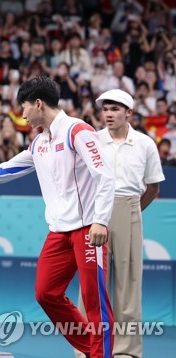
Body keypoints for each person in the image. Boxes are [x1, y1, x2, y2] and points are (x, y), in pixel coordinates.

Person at [0, 76, 116, 358]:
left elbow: (105, 176)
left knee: (95, 302)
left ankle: (100, 354)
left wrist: (101, 220)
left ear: (39, 104)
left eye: (24, 108)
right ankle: (93, 350)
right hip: (58, 232)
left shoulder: (78, 131)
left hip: (88, 230)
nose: (22, 115)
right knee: (46, 294)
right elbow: (2, 172)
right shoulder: (39, 143)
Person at [75, 89, 165, 358]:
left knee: (129, 283)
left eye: (115, 109)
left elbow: (152, 187)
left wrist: (131, 211)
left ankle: (127, 351)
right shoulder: (91, 141)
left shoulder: (146, 144)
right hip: (94, 214)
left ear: (129, 113)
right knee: (91, 285)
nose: (109, 114)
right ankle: (86, 349)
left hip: (129, 208)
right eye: (105, 109)